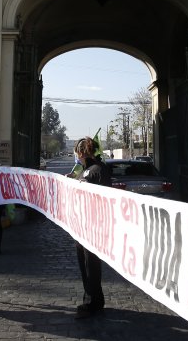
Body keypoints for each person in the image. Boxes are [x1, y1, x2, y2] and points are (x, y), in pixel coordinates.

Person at [72, 136, 111, 319]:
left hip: (92, 228)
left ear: (82, 152)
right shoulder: (87, 170)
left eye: (77, 153)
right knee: (86, 265)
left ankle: (92, 302)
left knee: (91, 266)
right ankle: (95, 298)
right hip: (82, 226)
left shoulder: (96, 171)